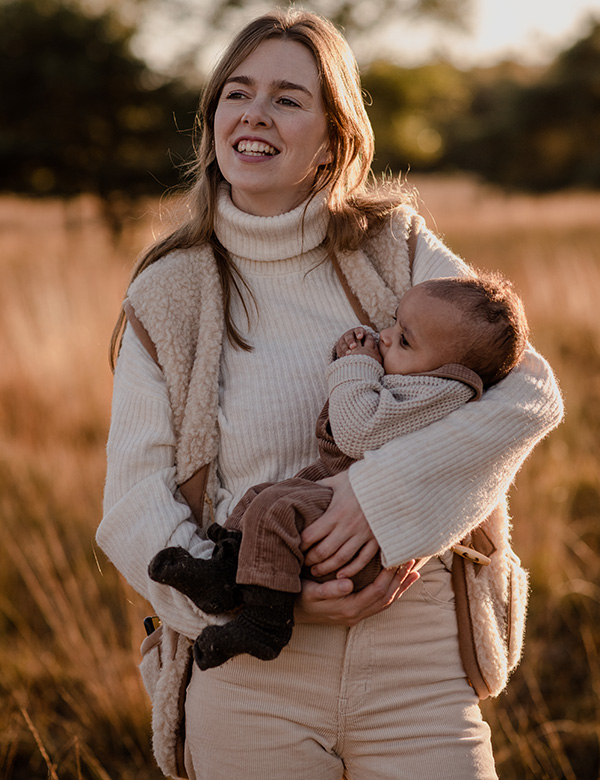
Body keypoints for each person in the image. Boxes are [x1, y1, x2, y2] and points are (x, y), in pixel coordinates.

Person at [97, 9, 563, 780]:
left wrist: (379, 496)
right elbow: (131, 504)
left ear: (333, 136)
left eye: (288, 98)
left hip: (414, 650)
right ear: (212, 116)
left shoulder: (396, 245)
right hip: (250, 666)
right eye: (237, 93)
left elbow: (531, 393)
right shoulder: (169, 290)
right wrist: (264, 599)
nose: (254, 113)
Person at [147, 272, 530, 672]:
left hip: (361, 551)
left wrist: (355, 367)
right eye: (395, 322)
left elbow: (355, 432)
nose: (385, 336)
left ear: (454, 372)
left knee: (276, 509)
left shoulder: (442, 392)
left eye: (404, 340)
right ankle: (225, 573)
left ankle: (264, 622)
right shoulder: (423, 376)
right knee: (260, 496)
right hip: (334, 498)